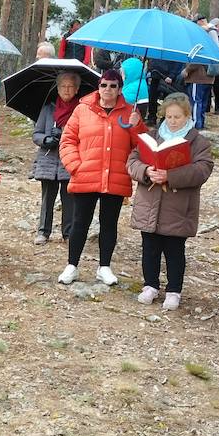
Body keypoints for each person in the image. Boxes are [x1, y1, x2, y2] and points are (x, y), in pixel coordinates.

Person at [127, 92, 215, 310]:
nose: (173, 121)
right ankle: (150, 285)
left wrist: (170, 176)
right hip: (149, 202)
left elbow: (203, 169)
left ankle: (174, 290)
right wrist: (146, 171)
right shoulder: (153, 136)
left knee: (174, 250)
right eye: (169, 117)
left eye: (177, 117)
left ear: (187, 116)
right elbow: (132, 161)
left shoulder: (198, 142)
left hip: (178, 204)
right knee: (150, 246)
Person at [57, 66, 145, 286]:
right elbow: (67, 140)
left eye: (113, 86)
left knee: (109, 223)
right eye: (104, 85)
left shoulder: (130, 113)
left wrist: (137, 126)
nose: (108, 89)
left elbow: (142, 146)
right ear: (98, 87)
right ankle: (72, 265)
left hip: (115, 177)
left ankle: (104, 267)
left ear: (120, 88)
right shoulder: (82, 109)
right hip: (86, 175)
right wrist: (76, 166)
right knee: (79, 222)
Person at [31, 71, 78, 245]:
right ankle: (43, 232)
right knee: (47, 198)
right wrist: (47, 139)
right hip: (48, 158)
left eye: (70, 86)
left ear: (76, 89)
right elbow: (36, 134)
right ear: (57, 89)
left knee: (69, 199)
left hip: (70, 159)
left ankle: (68, 233)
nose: (66, 90)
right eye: (63, 86)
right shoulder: (48, 108)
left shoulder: (80, 110)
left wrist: (67, 136)